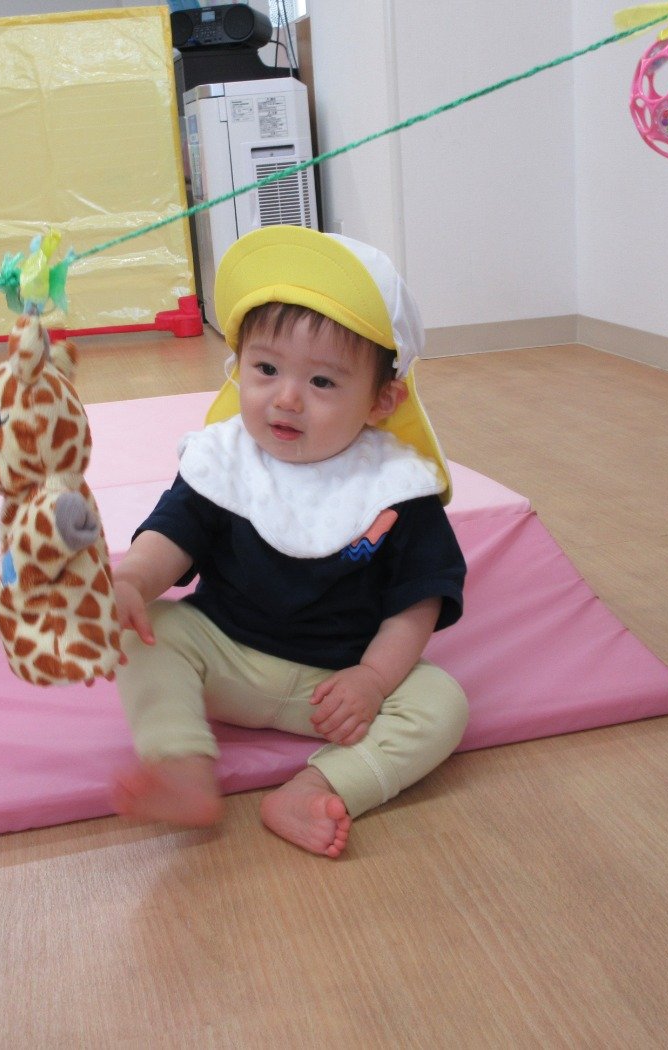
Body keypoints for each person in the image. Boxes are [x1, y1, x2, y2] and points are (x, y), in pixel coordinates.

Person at [109, 225, 469, 858]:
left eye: (323, 382)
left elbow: (418, 602)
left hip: (336, 690)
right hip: (224, 659)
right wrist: (133, 580)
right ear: (238, 365)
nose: (287, 398)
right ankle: (181, 764)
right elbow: (173, 534)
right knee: (148, 629)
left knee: (443, 702)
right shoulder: (226, 459)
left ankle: (318, 786)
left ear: (382, 400)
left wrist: (373, 680)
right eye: (266, 369)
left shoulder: (394, 487)